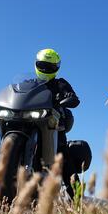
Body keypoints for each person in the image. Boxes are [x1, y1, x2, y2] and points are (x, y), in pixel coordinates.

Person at [35, 48, 80, 198]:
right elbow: (16, 93)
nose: (45, 69)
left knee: (63, 157)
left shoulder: (60, 83)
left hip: (53, 126)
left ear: (56, 68)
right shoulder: (30, 84)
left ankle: (77, 199)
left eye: (50, 67)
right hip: (30, 123)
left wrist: (70, 98)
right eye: (42, 65)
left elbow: (73, 97)